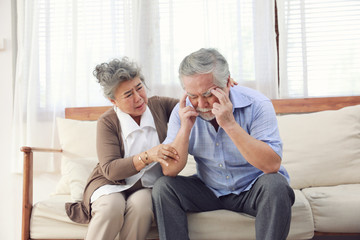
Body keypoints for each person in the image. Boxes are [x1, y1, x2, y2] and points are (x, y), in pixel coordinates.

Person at [152, 48, 295, 240]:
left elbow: (271, 165)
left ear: (227, 83)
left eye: (208, 94)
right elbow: (170, 170)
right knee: (164, 187)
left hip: (252, 189)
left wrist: (230, 124)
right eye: (193, 95)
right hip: (209, 189)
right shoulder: (183, 112)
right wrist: (185, 129)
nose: (201, 103)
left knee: (276, 185)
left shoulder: (258, 104)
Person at [65, 57, 180, 240]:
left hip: (145, 186)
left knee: (142, 206)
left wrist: (225, 88)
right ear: (114, 101)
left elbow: (191, 104)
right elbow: (110, 170)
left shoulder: (159, 105)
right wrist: (148, 156)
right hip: (110, 183)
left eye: (139, 87)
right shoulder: (107, 122)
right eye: (128, 94)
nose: (138, 98)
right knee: (111, 207)